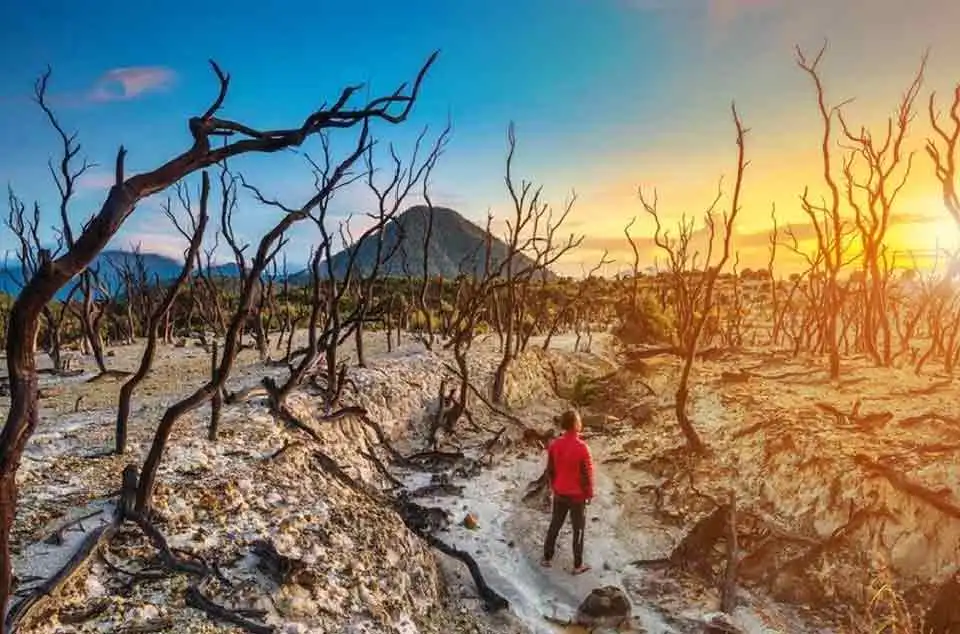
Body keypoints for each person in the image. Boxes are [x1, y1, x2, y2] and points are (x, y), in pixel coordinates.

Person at [541, 409, 594, 575]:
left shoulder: (555, 445)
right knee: (578, 530)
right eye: (579, 420)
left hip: (560, 493)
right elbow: (587, 475)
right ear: (576, 424)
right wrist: (589, 494)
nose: (581, 422)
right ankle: (577, 565)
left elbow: (550, 470)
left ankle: (547, 558)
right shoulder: (582, 448)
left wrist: (554, 487)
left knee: (555, 524)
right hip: (577, 496)